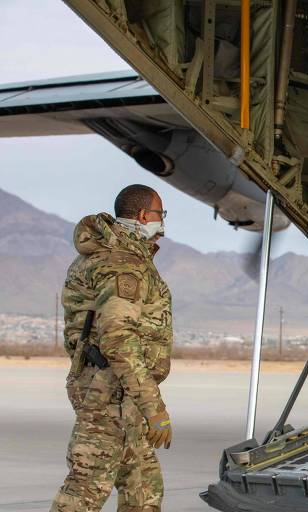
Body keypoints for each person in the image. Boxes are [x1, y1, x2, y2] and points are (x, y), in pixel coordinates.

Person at [51, 185, 173, 511]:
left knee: (144, 489)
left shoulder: (114, 256)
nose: (162, 223)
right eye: (160, 215)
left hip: (118, 392)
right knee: (85, 492)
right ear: (145, 216)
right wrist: (154, 409)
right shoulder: (121, 264)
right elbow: (118, 338)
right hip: (108, 395)